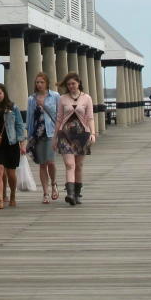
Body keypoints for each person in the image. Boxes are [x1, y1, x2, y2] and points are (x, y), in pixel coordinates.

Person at [53, 72, 95, 206]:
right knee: (69, 164)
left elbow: (90, 117)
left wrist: (93, 133)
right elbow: (59, 118)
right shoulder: (62, 98)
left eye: (73, 84)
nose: (71, 86)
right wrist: (55, 137)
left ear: (79, 83)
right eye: (69, 84)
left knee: (79, 165)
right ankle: (70, 194)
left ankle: (77, 193)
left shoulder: (87, 98)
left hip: (82, 133)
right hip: (65, 134)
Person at [27, 73, 60, 204]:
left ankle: (54, 184)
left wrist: (44, 105)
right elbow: (30, 118)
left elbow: (58, 115)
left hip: (51, 132)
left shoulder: (55, 96)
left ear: (46, 83)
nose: (39, 85)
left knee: (50, 162)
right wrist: (28, 137)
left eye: (41, 82)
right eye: (37, 82)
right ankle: (45, 192)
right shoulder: (31, 99)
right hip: (38, 133)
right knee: (42, 164)